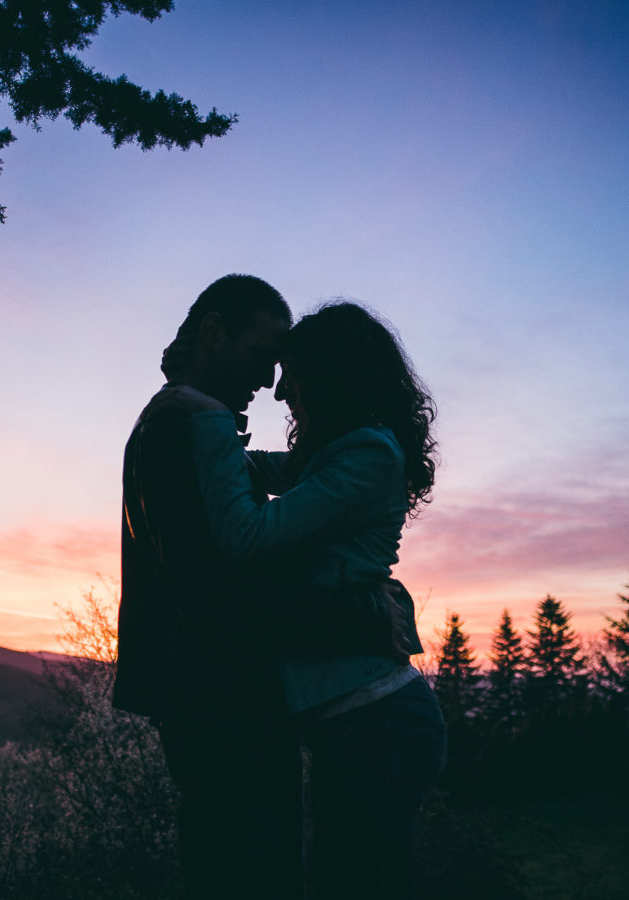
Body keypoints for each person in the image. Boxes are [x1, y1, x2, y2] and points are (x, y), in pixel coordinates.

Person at [177, 301, 447, 900]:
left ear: (330, 375)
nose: (279, 395)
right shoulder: (332, 456)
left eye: (291, 374)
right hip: (351, 726)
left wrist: (207, 421)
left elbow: (248, 533)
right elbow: (256, 469)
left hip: (378, 723)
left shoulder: (370, 456)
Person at [112, 274, 303, 899]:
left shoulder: (167, 422)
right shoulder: (192, 425)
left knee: (220, 859)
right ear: (214, 332)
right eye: (261, 355)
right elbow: (217, 570)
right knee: (252, 865)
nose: (270, 383)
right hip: (226, 689)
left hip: (195, 686)